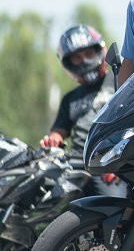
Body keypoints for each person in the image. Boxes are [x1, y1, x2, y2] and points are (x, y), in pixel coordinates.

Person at [40, 25, 126, 197]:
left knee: (115, 204)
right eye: (77, 58)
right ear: (68, 62)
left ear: (99, 51)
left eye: (88, 53)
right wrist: (52, 141)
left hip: (110, 160)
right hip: (75, 164)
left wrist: (121, 163)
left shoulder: (121, 81)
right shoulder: (70, 99)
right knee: (50, 201)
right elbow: (58, 133)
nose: (85, 60)